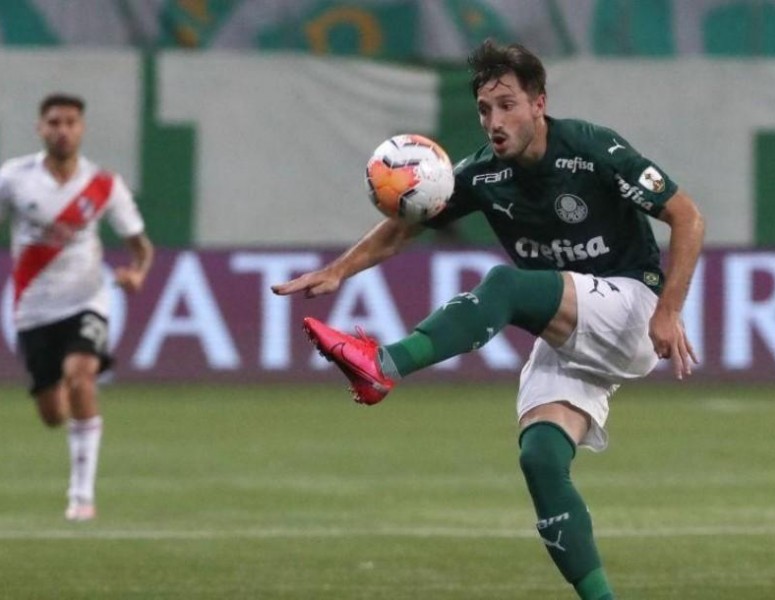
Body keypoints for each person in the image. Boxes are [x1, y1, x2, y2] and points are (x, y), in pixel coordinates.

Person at [273, 40, 704, 600]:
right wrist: (340, 270)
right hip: (571, 325)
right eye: (483, 110)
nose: (494, 122)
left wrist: (669, 310)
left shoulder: (591, 148)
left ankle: (384, 365)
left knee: (506, 286)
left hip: (632, 308)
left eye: (506, 105)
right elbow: (406, 226)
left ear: (539, 103)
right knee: (541, 458)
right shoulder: (479, 175)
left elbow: (687, 216)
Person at [0, 93, 154, 521]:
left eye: (70, 122)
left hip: (87, 299)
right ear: (40, 128)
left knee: (82, 377)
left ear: (81, 128)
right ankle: (70, 421)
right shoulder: (13, 178)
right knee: (52, 413)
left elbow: (139, 244)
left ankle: (81, 496)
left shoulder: (104, 185)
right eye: (54, 122)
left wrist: (138, 272)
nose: (62, 130)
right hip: (32, 307)